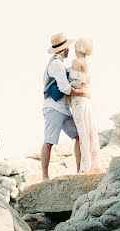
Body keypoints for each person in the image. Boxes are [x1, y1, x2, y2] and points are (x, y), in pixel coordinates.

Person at [41, 33, 89, 181]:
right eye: (67, 47)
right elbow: (65, 88)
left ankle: (79, 169)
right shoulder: (57, 64)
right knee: (49, 142)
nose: (69, 50)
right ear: (64, 49)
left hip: (63, 109)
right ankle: (45, 176)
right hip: (54, 109)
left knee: (78, 136)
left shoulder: (58, 63)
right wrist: (83, 93)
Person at [67, 38, 101, 173]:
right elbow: (84, 82)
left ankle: (85, 166)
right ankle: (93, 163)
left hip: (78, 101)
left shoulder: (75, 62)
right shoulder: (86, 63)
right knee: (90, 131)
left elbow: (75, 84)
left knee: (82, 132)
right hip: (86, 100)